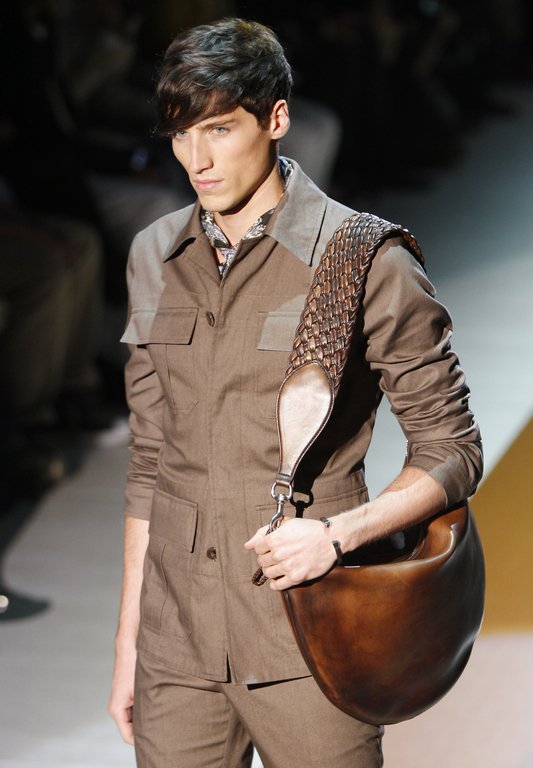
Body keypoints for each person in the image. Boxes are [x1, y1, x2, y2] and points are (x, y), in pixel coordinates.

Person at [109, 17, 482, 768]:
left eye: (218, 129)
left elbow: (452, 448)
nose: (196, 159)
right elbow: (151, 462)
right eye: (181, 134)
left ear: (276, 118)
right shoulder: (155, 254)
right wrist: (130, 645)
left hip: (311, 638)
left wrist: (337, 536)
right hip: (177, 648)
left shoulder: (362, 259)